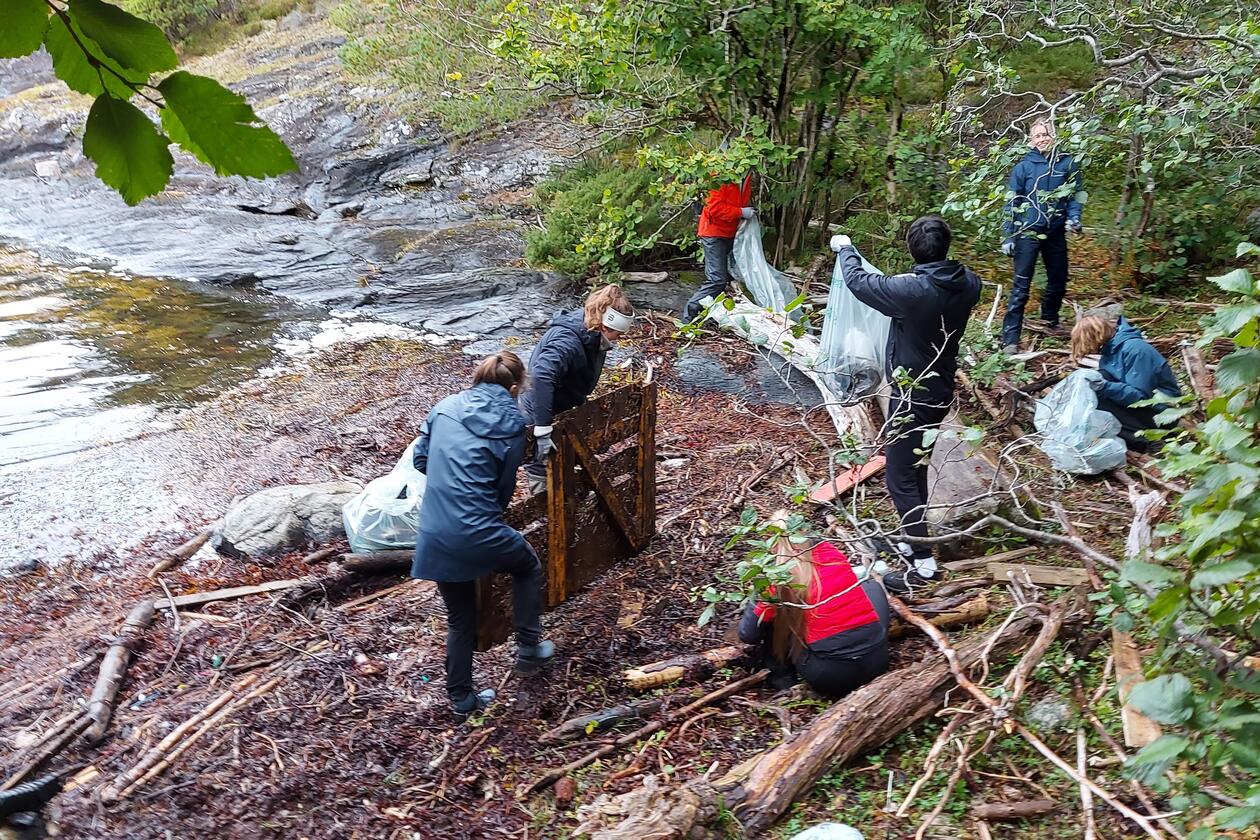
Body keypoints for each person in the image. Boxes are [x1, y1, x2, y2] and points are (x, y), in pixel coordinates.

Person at [830, 216, 981, 594]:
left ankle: (924, 567)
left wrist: (846, 250)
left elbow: (860, 283)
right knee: (916, 469)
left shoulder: (913, 292)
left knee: (900, 477)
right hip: (940, 387)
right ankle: (912, 541)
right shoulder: (969, 283)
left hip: (912, 394)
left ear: (913, 250)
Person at [410, 351, 555, 721]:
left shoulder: (444, 407)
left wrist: (451, 482)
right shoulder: (512, 423)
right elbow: (503, 492)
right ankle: (528, 649)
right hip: (480, 526)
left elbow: (420, 460)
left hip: (434, 529)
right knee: (527, 566)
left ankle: (462, 699)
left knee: (460, 619)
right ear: (513, 387)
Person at [738, 535, 890, 697]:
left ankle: (782, 676)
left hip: (831, 677)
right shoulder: (829, 551)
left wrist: (757, 594)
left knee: (773, 617)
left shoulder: (775, 579)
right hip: (879, 662)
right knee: (871, 587)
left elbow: (748, 634)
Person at [520, 285, 635, 494]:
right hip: (538, 412)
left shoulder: (591, 334)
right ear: (605, 326)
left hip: (562, 409)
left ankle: (571, 506)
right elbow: (540, 377)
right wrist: (543, 428)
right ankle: (549, 519)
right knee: (543, 476)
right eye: (619, 333)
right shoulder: (567, 341)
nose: (620, 339)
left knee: (566, 466)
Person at [1000, 117, 1084, 353]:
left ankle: (1049, 320)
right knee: (1021, 285)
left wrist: (1074, 217)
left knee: (1058, 278)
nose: (1042, 139)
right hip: (1027, 232)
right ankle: (1010, 338)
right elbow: (1011, 202)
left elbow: (1076, 194)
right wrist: (1008, 235)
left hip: (1055, 231)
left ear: (1054, 136)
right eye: (1038, 135)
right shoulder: (1023, 167)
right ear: (1030, 141)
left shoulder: (1067, 163)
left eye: (1046, 134)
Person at [1071, 313, 1182, 452]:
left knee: (1099, 397)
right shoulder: (1110, 351)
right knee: (1095, 384)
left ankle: (1149, 442)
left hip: (1163, 414)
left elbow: (1140, 397)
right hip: (1145, 409)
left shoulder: (1135, 350)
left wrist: (1105, 387)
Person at [681, 174, 754, 321]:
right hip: (713, 233)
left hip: (731, 232)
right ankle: (688, 317)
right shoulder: (719, 176)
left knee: (729, 277)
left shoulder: (746, 175)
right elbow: (714, 208)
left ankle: (712, 316)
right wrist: (740, 212)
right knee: (717, 280)